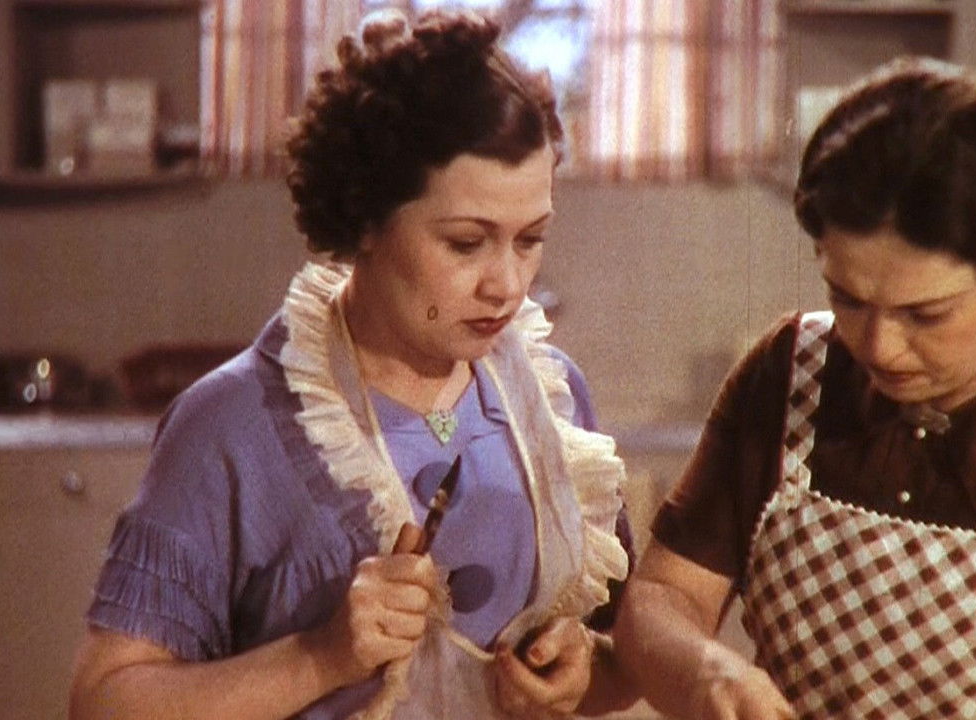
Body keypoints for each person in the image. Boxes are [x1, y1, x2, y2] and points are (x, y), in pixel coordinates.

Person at [69, 9, 636, 720]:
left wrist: (583, 672)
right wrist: (320, 657)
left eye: (530, 240)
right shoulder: (230, 425)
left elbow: (621, 663)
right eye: (466, 243)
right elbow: (103, 701)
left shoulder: (552, 403)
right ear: (365, 219)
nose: (507, 285)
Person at [613, 57, 976, 720]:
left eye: (926, 315)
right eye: (848, 299)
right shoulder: (787, 371)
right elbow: (663, 597)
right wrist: (704, 672)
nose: (878, 347)